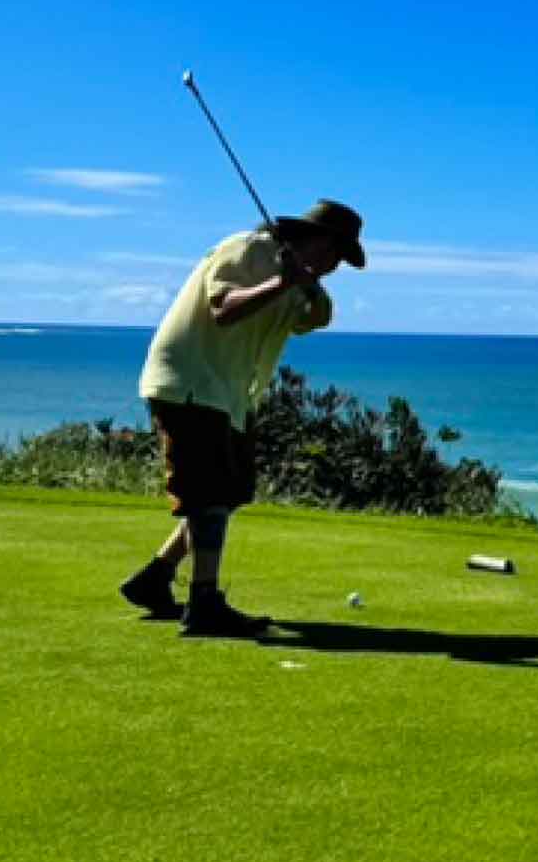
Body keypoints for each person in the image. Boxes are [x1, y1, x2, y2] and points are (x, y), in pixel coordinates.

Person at [119, 199, 366, 637]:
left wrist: (305, 285)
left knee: (230, 490)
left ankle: (156, 578)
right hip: (190, 382)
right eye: (335, 255)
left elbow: (317, 319)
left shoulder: (298, 276)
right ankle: (204, 602)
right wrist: (282, 280)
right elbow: (224, 308)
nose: (333, 266)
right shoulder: (247, 250)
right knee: (208, 494)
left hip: (228, 395)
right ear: (317, 240)